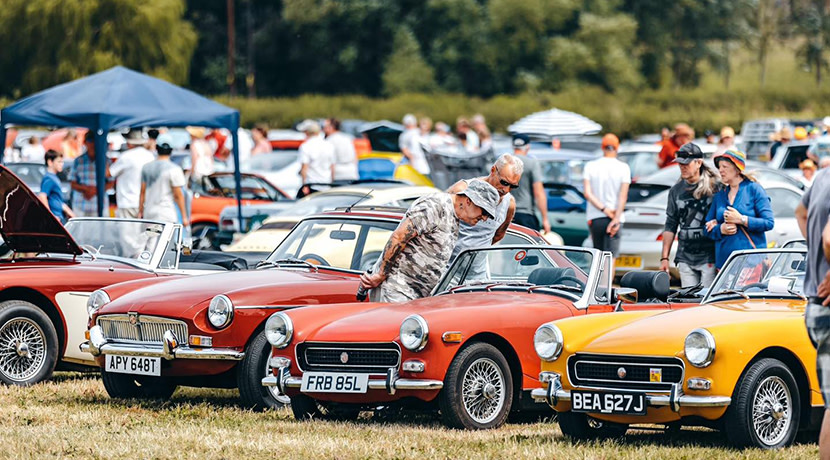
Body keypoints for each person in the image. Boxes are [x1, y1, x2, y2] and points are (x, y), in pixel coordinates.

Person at [359, 179, 499, 302]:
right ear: (468, 201)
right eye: (484, 212)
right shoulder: (435, 205)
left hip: (414, 296)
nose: (485, 218)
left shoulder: (455, 216)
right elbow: (399, 236)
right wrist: (381, 274)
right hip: (396, 288)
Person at [795, 164, 830, 460]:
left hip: (814, 303)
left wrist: (817, 261)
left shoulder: (822, 176)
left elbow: (800, 213)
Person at [447, 154, 522, 268]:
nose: (506, 190)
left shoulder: (509, 204)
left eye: (513, 186)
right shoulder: (463, 190)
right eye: (504, 182)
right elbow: (439, 222)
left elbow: (499, 235)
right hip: (447, 269)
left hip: (478, 274)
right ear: (493, 170)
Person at [660, 143, 719, 287]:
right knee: (688, 302)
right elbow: (670, 224)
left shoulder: (716, 187)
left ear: (699, 163)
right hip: (685, 256)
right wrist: (664, 258)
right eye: (680, 163)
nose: (682, 167)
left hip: (710, 256)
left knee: (707, 303)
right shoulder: (676, 191)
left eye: (686, 163)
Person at [704, 149, 774, 269]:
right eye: (719, 167)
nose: (720, 170)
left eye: (725, 166)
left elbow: (769, 223)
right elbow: (707, 229)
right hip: (724, 266)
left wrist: (742, 219)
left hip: (751, 264)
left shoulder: (754, 190)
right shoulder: (720, 196)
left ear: (737, 169)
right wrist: (720, 229)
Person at [583, 134, 631, 261]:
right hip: (615, 216)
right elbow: (623, 196)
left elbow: (588, 193)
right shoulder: (623, 167)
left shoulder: (590, 166)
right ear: (617, 147)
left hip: (596, 215)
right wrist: (615, 218)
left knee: (598, 257)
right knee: (610, 258)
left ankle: (597, 281)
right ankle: (607, 282)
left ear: (602, 147)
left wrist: (604, 209)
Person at [139, 136, 188, 226]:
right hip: (166, 213)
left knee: (150, 239)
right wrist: (184, 216)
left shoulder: (146, 167)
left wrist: (140, 211)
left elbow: (142, 192)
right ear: (171, 150)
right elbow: (178, 195)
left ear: (157, 148)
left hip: (149, 213)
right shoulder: (175, 169)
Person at [109, 129, 155, 218]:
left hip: (127, 202)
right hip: (145, 202)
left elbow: (109, 173)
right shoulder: (150, 156)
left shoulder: (125, 156)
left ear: (129, 143)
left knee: (126, 231)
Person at [510, 134, 550, 234]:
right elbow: (539, 193)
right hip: (526, 213)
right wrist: (545, 218)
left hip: (506, 213)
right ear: (528, 147)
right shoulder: (532, 163)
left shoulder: (504, 163)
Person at [71, 131, 106, 217]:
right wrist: (86, 189)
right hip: (80, 206)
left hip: (99, 206)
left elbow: (111, 182)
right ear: (85, 142)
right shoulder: (78, 161)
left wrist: (95, 190)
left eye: (95, 141)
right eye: (90, 141)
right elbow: (73, 184)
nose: (93, 144)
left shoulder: (105, 161)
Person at [297, 119, 335, 195]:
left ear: (307, 132)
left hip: (312, 185)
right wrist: (332, 182)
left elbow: (304, 168)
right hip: (326, 184)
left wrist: (304, 184)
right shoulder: (329, 145)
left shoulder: (305, 146)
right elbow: (332, 166)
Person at [38, 150, 74, 223]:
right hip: (56, 218)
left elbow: (57, 200)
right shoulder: (49, 178)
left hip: (60, 217)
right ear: (50, 162)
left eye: (62, 162)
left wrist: (69, 212)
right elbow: (42, 196)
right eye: (59, 162)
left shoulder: (54, 177)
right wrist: (50, 216)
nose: (62, 164)